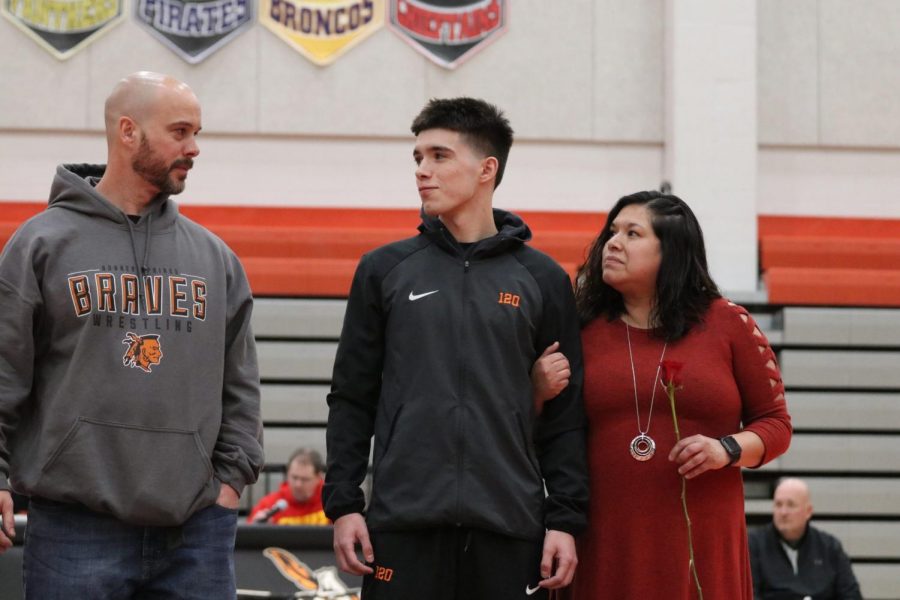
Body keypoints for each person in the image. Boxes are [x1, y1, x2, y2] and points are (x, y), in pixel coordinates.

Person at [0, 71, 264, 598]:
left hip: (196, 531)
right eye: (180, 131)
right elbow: (4, 372)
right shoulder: (40, 244)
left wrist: (230, 485)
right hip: (76, 528)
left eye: (197, 133)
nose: (194, 148)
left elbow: (240, 389)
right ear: (128, 132)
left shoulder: (215, 259)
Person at [323, 97, 589, 599]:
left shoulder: (544, 279)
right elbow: (351, 397)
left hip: (511, 525)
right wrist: (345, 504)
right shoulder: (383, 270)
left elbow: (566, 416)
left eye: (440, 156)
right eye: (418, 158)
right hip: (403, 525)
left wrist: (565, 520)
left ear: (486, 169)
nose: (423, 171)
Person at [558, 191, 792, 599]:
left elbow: (776, 425)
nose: (612, 243)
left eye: (633, 233)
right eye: (612, 232)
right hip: (607, 537)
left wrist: (726, 449)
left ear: (672, 252)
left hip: (701, 538)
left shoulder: (728, 323)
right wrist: (538, 389)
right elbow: (550, 430)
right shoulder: (581, 329)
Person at [749, 478, 862, 600]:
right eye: (778, 504)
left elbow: (851, 595)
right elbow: (749, 595)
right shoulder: (754, 545)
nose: (783, 512)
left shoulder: (830, 547)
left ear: (808, 511)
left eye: (791, 505)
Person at [248, 448, 329, 525]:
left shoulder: (330, 502)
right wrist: (257, 526)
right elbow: (246, 536)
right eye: (294, 477)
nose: (298, 484)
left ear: (318, 477)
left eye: (305, 479)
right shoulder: (270, 505)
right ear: (288, 474)